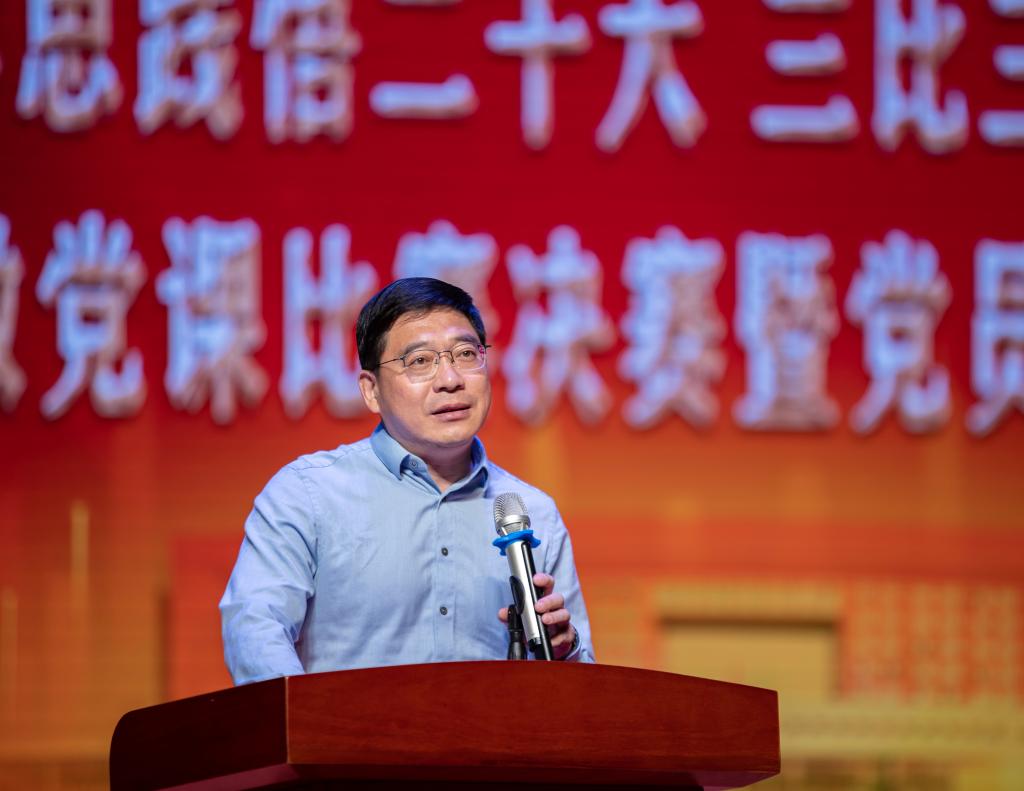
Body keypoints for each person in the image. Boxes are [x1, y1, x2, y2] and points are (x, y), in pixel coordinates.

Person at [220, 277, 594, 684]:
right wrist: (312, 719)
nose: (450, 379)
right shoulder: (307, 495)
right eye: (419, 361)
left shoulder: (531, 511)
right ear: (371, 391)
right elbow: (254, 629)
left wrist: (566, 649)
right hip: (340, 728)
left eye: (466, 354)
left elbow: (584, 681)